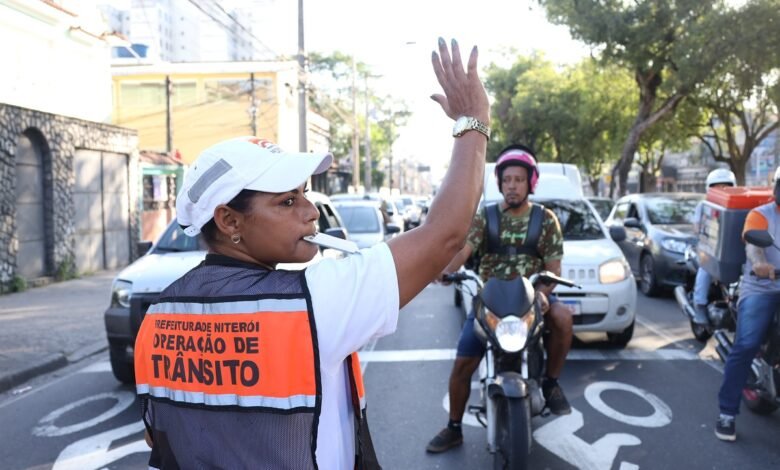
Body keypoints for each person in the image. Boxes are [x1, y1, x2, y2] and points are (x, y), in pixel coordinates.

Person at [133, 38, 491, 469]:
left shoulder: (158, 318)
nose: (310, 212)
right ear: (229, 221)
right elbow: (445, 236)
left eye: (305, 194)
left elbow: (160, 434)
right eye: (287, 201)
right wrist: (474, 121)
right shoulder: (313, 299)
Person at [426, 144, 572, 454]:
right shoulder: (486, 216)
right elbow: (463, 250)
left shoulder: (546, 219)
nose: (512, 186)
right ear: (500, 183)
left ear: (530, 183)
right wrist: (444, 270)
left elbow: (553, 268)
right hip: (490, 302)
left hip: (531, 300)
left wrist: (544, 295)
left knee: (563, 317)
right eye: (507, 180)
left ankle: (551, 383)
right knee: (463, 363)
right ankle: (454, 427)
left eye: (518, 180)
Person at [715, 166, 780, 442]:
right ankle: (727, 413)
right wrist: (760, 264)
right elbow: (753, 246)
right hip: (762, 287)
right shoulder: (760, 215)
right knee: (746, 344)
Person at [692, 168, 737, 324]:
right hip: (710, 251)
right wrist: (705, 233)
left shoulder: (736, 206)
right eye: (717, 186)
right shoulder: (703, 206)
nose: (721, 190)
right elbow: (696, 228)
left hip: (731, 251)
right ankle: (699, 305)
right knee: (705, 270)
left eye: (725, 186)